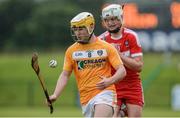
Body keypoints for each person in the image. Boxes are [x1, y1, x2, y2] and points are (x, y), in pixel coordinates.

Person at [48, 12, 126, 117]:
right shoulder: (71, 51)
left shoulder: (106, 47)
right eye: (75, 30)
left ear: (91, 27)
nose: (77, 33)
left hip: (105, 94)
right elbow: (65, 75)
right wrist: (55, 94)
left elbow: (122, 71)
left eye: (80, 29)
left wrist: (110, 81)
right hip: (85, 99)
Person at [99, 4, 144, 117]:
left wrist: (117, 54)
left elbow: (139, 66)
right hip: (112, 86)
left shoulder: (131, 36)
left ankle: (124, 112)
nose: (110, 23)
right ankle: (121, 113)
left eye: (114, 19)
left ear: (121, 18)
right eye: (107, 20)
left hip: (132, 85)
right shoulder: (101, 40)